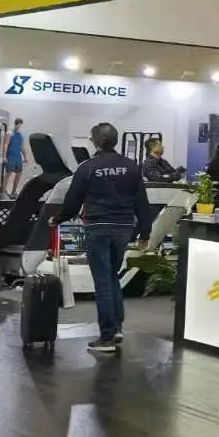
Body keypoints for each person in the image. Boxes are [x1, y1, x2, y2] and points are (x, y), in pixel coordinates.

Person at [55, 122, 152, 355]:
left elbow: (73, 200)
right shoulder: (131, 167)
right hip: (123, 228)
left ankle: (107, 337)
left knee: (102, 282)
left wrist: (57, 219)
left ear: (95, 142)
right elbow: (142, 202)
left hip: (97, 228)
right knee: (111, 276)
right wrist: (145, 233)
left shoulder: (87, 167)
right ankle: (117, 328)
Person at [2, 118, 28, 196]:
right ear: (16, 124)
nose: (19, 126)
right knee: (8, 174)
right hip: (10, 157)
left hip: (18, 158)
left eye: (20, 125)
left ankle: (14, 191)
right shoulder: (9, 133)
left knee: (19, 173)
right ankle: (2, 192)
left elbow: (22, 147)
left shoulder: (20, 135)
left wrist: (25, 157)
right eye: (18, 125)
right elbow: (6, 144)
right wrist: (4, 156)